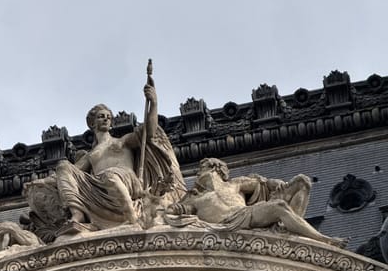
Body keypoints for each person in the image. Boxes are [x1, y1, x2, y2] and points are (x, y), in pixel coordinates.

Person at [24, 73, 185, 238]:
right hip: (100, 187)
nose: (106, 119)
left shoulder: (122, 141)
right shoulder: (90, 155)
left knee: (109, 175)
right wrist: (40, 182)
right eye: (101, 117)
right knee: (63, 166)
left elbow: (149, 132)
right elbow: (65, 174)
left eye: (108, 117)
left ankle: (132, 218)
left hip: (127, 181)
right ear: (92, 123)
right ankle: (77, 215)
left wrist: (154, 103)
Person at [167, 158, 343, 247]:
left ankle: (293, 234)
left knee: (302, 181)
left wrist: (278, 185)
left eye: (202, 168)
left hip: (245, 215)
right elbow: (176, 210)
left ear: (215, 168)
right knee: (279, 206)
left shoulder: (235, 184)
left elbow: (264, 184)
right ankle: (322, 239)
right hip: (224, 224)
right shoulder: (195, 196)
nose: (198, 173)